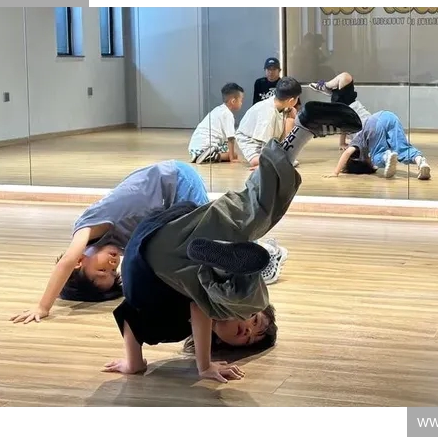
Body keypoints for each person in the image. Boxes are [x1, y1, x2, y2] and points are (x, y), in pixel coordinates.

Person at [103, 100, 363, 381]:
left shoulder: (176, 327)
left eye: (247, 337)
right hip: (169, 236)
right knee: (248, 214)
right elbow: (194, 309)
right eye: (254, 325)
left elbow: (133, 316)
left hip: (150, 258)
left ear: (224, 345)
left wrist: (138, 364)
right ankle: (301, 131)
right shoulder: (189, 315)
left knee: (245, 284)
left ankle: (227, 269)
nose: (247, 330)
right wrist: (194, 366)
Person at [8, 161, 287, 325]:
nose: (112, 265)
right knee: (196, 249)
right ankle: (252, 256)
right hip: (168, 196)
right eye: (112, 273)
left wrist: (43, 307)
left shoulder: (86, 227)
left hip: (174, 181)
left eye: (101, 269)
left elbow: (66, 261)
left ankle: (267, 252)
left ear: (80, 261)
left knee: (213, 234)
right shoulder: (118, 242)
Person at [324, 107, 431, 180]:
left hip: (374, 125)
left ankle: (385, 156)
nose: (373, 165)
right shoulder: (362, 142)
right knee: (402, 148)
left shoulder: (358, 148)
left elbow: (347, 152)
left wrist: (336, 172)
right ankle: (420, 161)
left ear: (361, 162)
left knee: (377, 156)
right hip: (389, 116)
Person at [236, 76, 302, 168]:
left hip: (271, 138)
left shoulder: (281, 103)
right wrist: (264, 164)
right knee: (257, 161)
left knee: (291, 118)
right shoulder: (268, 113)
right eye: (297, 98)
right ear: (291, 100)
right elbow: (266, 144)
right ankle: (271, 161)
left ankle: (284, 155)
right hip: (251, 141)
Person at [188, 83, 243, 164]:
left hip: (194, 148)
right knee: (234, 155)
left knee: (225, 147)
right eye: (241, 100)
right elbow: (231, 138)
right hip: (207, 146)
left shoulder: (218, 109)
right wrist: (232, 158)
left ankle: (199, 156)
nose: (241, 103)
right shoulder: (228, 115)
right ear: (233, 101)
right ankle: (212, 156)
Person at [308, 72, 362, 150]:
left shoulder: (365, 137)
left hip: (347, 108)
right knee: (345, 78)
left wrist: (342, 143)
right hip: (351, 106)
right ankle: (331, 91)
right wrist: (342, 143)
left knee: (345, 77)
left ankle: (326, 86)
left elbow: (345, 124)